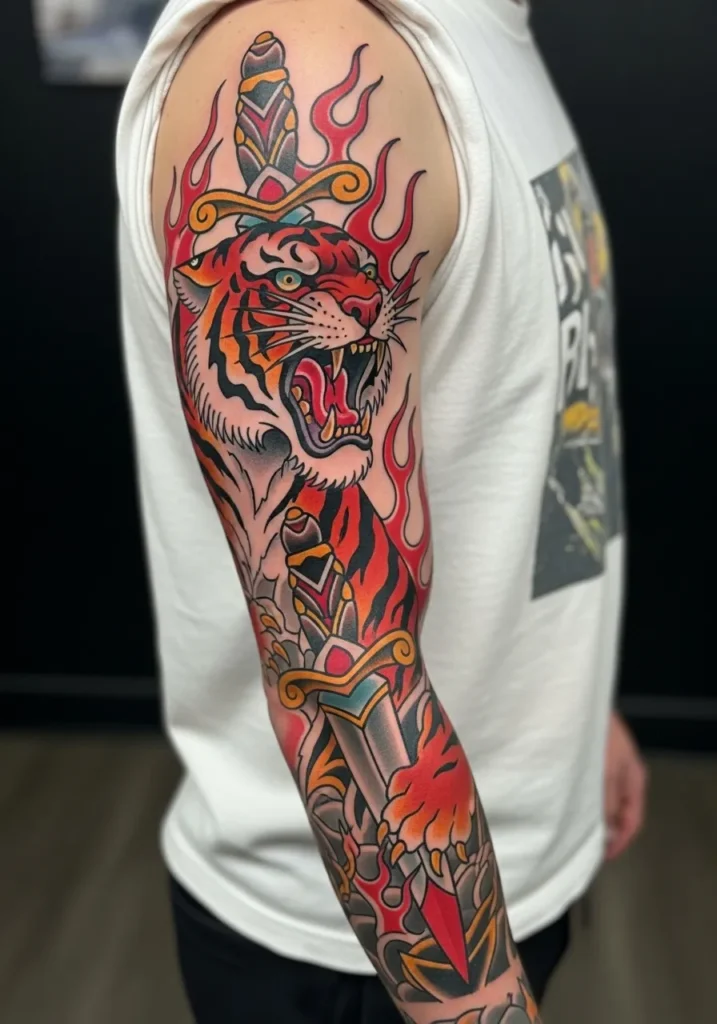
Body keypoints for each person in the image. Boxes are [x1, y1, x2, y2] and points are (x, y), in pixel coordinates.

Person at [116, 1, 647, 1021]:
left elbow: (516, 422)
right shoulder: (320, 50)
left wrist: (575, 710)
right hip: (368, 944)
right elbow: (335, 667)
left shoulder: (487, 31)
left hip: (505, 842)